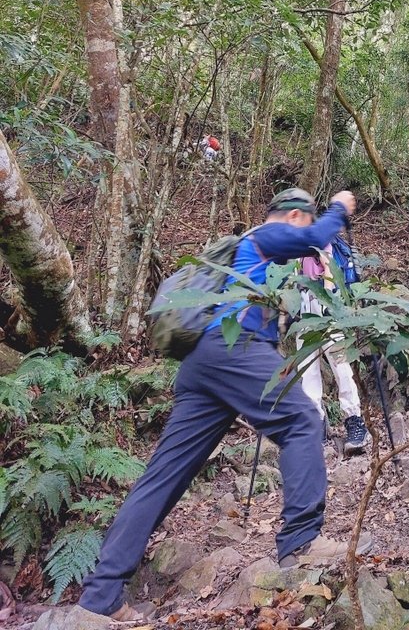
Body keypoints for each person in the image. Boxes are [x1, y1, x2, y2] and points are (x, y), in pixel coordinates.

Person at [78, 188, 371, 622]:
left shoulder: (247, 253)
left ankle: (100, 596)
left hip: (201, 364)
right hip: (233, 347)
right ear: (294, 217)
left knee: (165, 474)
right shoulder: (267, 235)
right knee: (302, 420)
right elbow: (318, 238)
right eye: (304, 224)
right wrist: (340, 208)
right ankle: (302, 542)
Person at [298, 244, 370, 455]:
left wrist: (328, 303)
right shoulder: (295, 243)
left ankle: (354, 419)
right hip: (304, 311)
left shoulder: (319, 239)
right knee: (307, 370)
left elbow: (329, 273)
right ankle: (315, 422)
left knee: (341, 365)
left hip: (327, 309)